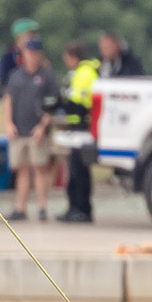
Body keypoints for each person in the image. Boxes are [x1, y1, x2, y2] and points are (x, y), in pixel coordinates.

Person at [2, 35, 61, 222]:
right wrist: (8, 123)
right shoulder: (16, 75)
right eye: (29, 52)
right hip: (19, 129)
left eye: (35, 53)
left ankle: (42, 207)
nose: (32, 56)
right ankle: (20, 207)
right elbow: (8, 100)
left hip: (37, 130)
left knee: (40, 167)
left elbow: (52, 104)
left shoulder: (47, 76)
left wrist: (43, 126)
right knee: (22, 168)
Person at [55, 40, 102, 224]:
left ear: (73, 57)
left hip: (82, 127)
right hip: (79, 127)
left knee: (78, 170)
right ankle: (76, 208)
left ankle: (80, 209)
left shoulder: (83, 73)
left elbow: (78, 101)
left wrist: (61, 104)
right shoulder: (84, 72)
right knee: (77, 169)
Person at [0, 16, 40, 89]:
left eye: (35, 35)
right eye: (31, 35)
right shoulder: (9, 57)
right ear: (19, 37)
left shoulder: (38, 56)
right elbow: (4, 82)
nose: (35, 38)